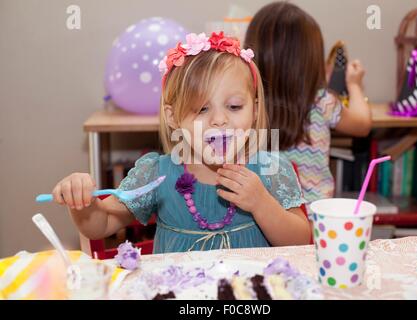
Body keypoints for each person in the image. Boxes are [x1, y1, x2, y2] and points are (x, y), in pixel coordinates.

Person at [51, 32, 311, 253]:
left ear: (254, 110)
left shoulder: (271, 169)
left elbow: (301, 242)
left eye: (234, 106)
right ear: (173, 117)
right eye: (201, 109)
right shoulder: (157, 173)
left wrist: (261, 204)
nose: (219, 120)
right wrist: (83, 203)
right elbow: (103, 223)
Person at [244, 2, 372, 211]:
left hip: (261, 218)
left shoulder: (244, 104)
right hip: (314, 220)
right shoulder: (322, 102)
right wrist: (355, 85)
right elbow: (362, 125)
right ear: (311, 60)